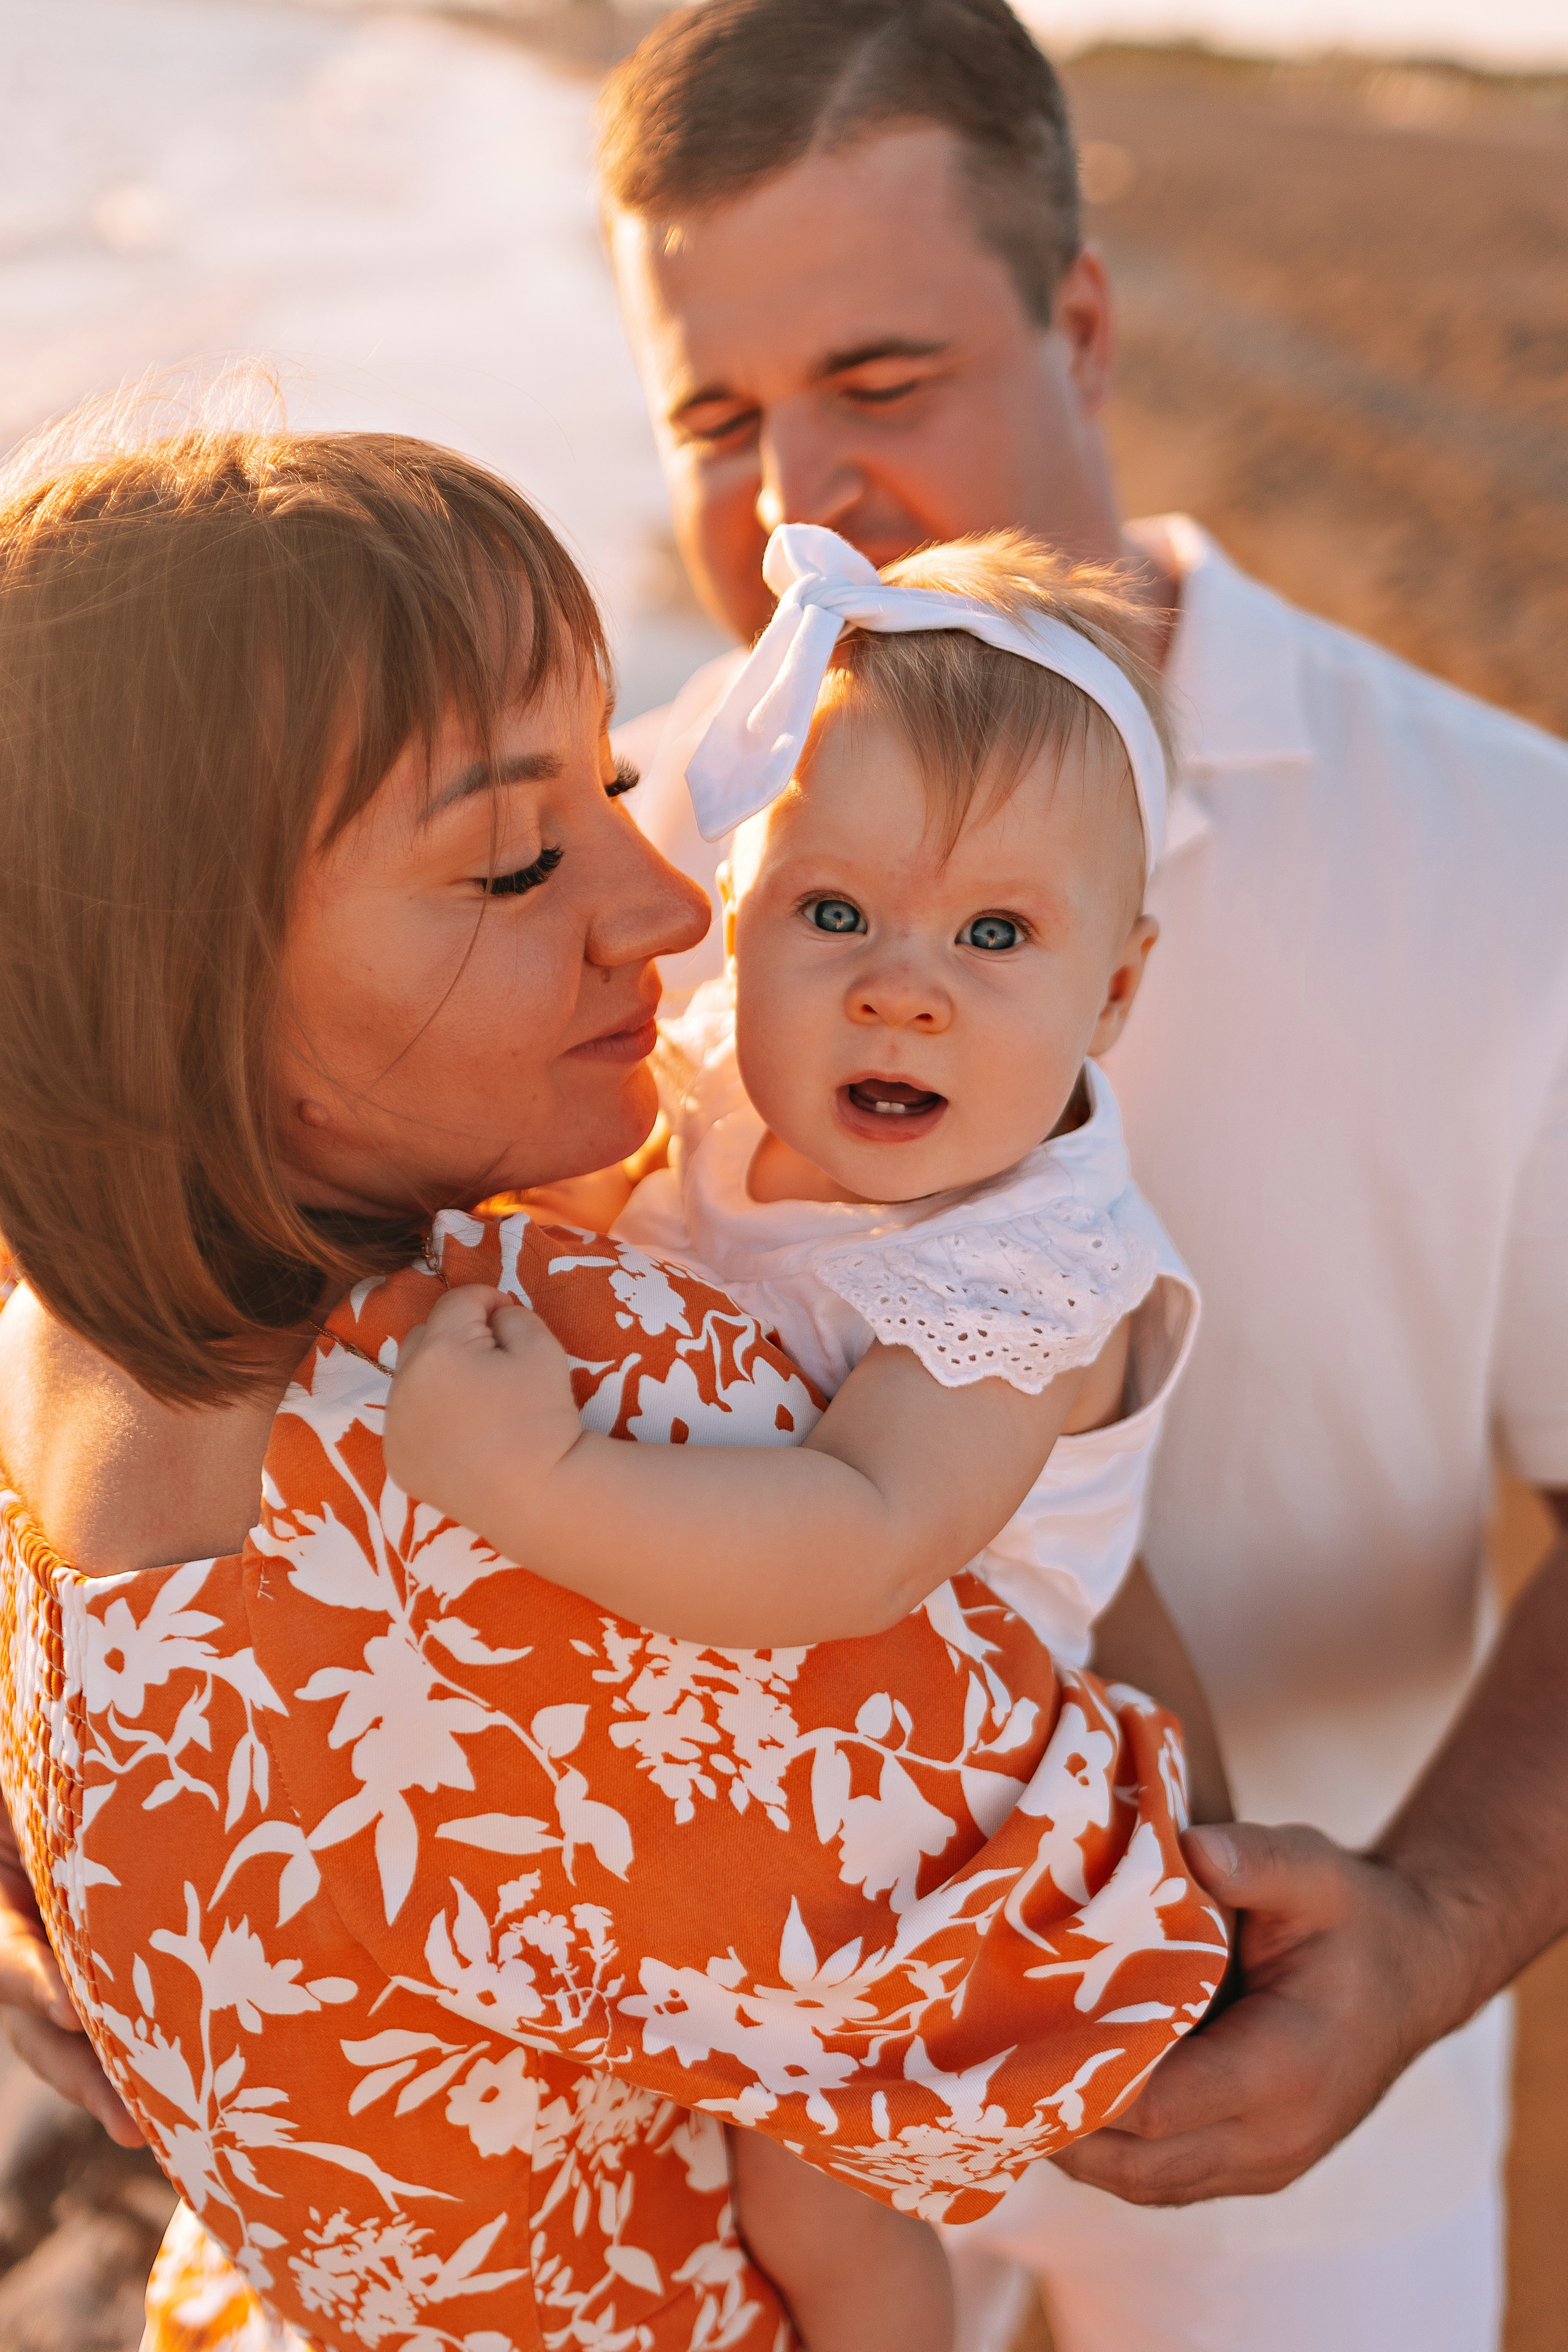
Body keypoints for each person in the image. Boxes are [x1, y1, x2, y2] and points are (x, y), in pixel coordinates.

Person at [0, 420, 1224, 2352]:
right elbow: (1119, 1962)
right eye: (512, 855)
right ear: (184, 985)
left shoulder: (51, 1332)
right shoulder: (540, 1407)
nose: (667, 904)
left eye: (619, 778)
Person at [587, 4, 1568, 2348]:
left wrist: (1427, 1935)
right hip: (710, 2088)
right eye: (720, 418)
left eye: (884, 377)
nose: (796, 500)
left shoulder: (1518, 851)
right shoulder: (615, 846)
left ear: (1087, 325)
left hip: (1279, 2124)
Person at [383, 521, 1230, 2348]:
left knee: (809, 2195)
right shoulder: (712, 1087)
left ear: (1119, 993)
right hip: (734, 1743)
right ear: (739, 906)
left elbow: (861, 1532)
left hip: (931, 1821)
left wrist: (534, 1479)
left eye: (997, 935)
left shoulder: (1033, 1268)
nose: (899, 986)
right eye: (832, 911)